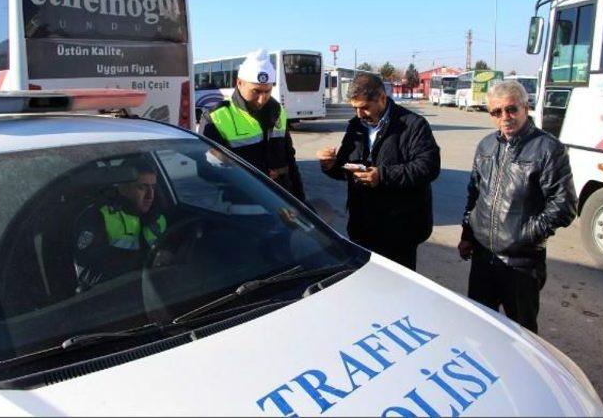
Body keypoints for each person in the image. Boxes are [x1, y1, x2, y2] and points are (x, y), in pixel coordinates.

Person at [458, 80, 577, 333]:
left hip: (520, 267)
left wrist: (523, 235)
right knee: (479, 331)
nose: (505, 117)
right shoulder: (486, 146)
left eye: (511, 109)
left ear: (526, 107)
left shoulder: (548, 149)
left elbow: (564, 206)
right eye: (496, 112)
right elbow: (474, 195)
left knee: (522, 339)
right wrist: (467, 234)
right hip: (482, 261)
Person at [316, 72, 440, 270]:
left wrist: (382, 176)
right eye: (355, 108)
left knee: (396, 290)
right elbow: (346, 169)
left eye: (364, 107)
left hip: (400, 231)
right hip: (362, 227)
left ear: (382, 98)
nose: (359, 114)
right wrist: (330, 166)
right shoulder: (356, 126)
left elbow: (429, 167)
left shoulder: (413, 125)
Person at [198, 49, 306, 202]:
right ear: (239, 83)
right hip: (241, 205)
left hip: (281, 202)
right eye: (256, 91)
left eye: (267, 91)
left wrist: (301, 202)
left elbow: (290, 160)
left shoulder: (278, 111)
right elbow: (205, 171)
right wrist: (261, 174)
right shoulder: (215, 118)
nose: (262, 99)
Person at [73, 158, 167, 292]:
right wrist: (148, 261)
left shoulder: (159, 215)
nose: (150, 195)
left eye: (153, 187)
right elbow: (88, 274)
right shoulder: (96, 217)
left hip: (165, 290)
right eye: (142, 187)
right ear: (123, 188)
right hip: (119, 301)